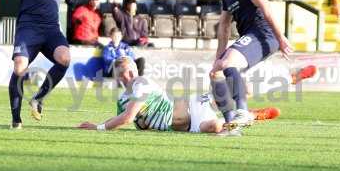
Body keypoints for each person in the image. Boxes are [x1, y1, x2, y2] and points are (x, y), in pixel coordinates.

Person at [0, 0, 112, 129]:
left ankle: (38, 99)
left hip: (51, 29)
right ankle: (16, 120)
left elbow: (73, 1)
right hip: (28, 28)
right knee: (19, 67)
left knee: (64, 58)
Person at [201, 0, 295, 136]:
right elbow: (225, 25)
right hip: (252, 35)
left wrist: (280, 37)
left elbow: (265, 5)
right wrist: (218, 56)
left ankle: (242, 111)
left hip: (263, 33)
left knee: (228, 63)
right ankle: (231, 127)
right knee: (217, 72)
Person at [78, 57, 283, 134]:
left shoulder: (142, 83)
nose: (127, 77)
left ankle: (286, 79)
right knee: (218, 128)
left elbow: (128, 118)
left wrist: (98, 127)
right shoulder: (123, 98)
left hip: (193, 105)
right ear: (116, 78)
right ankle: (254, 116)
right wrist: (99, 124)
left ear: (135, 71)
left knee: (234, 91)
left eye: (130, 71)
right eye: (121, 74)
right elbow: (119, 119)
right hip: (186, 127)